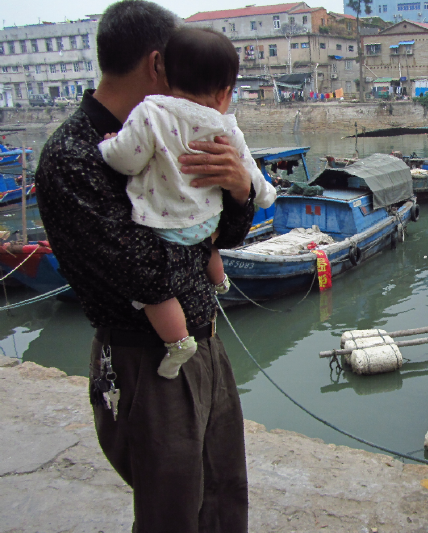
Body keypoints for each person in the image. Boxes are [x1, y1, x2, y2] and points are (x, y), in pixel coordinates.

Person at [34, 1, 252, 530]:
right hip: (145, 361)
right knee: (171, 512)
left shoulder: (178, 135)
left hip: (205, 342)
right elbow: (142, 269)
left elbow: (227, 235)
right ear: (159, 65)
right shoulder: (77, 155)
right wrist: (200, 241)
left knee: (223, 495)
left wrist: (240, 188)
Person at [98, 27, 276, 379]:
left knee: (152, 295)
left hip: (164, 228)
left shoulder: (150, 113)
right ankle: (221, 281)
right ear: (225, 93)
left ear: (165, 72)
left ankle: (177, 341)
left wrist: (107, 145)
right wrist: (262, 193)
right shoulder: (225, 126)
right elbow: (252, 174)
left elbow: (127, 161)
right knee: (205, 244)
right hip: (206, 225)